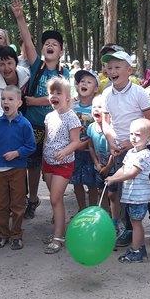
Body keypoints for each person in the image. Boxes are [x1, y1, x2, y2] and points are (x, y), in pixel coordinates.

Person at [11, 0, 69, 220]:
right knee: (33, 165)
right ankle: (33, 199)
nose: (50, 45)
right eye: (46, 43)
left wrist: (35, 101)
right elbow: (27, 40)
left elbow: (61, 98)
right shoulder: (37, 66)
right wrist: (20, 17)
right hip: (34, 125)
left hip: (56, 127)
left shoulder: (65, 74)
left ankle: (56, 204)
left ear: (61, 51)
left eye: (55, 44)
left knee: (53, 165)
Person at [100, 49, 150, 245]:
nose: (112, 71)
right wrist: (111, 140)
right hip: (119, 150)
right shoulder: (106, 93)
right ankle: (128, 228)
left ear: (129, 70)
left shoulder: (138, 92)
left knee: (148, 187)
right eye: (109, 68)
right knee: (122, 190)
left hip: (140, 149)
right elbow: (105, 121)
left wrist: (134, 142)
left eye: (117, 67)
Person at [0, 85, 36, 250]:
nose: (6, 102)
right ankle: (2, 234)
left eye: (10, 99)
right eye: (3, 99)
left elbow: (31, 146)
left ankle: (16, 235)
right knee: (1, 205)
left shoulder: (24, 124)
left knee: (18, 205)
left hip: (17, 170)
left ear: (19, 103)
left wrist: (17, 153)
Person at [105, 118, 150, 263]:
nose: (133, 137)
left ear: (148, 138)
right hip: (131, 195)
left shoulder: (145, 154)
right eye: (131, 134)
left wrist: (115, 180)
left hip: (139, 196)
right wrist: (112, 177)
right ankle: (139, 248)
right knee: (134, 222)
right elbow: (124, 168)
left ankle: (136, 251)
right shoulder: (131, 152)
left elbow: (132, 173)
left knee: (136, 223)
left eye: (138, 135)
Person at [42, 77, 83, 254]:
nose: (54, 96)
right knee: (55, 199)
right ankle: (58, 231)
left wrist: (65, 151)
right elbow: (47, 139)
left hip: (63, 164)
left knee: (55, 199)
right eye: (51, 93)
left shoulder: (71, 118)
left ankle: (58, 237)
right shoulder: (49, 116)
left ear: (67, 97)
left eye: (58, 93)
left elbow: (76, 142)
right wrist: (43, 160)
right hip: (48, 163)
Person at [71, 69, 99, 209]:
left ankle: (92, 210)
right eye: (82, 81)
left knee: (92, 183)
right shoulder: (72, 106)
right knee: (76, 182)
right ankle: (81, 209)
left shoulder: (97, 108)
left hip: (91, 152)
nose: (84, 84)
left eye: (89, 82)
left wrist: (87, 143)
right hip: (74, 151)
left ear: (96, 88)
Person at [0, 45, 30, 118]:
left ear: (16, 63)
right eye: (2, 64)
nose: (6, 68)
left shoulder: (27, 74)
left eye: (9, 63)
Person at [87, 95, 113, 207]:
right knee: (101, 192)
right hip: (99, 167)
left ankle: (115, 215)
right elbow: (91, 147)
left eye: (100, 107)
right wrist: (97, 164)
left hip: (112, 168)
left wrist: (108, 167)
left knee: (113, 194)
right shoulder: (91, 128)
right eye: (94, 107)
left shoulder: (112, 129)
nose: (96, 109)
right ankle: (104, 212)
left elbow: (115, 150)